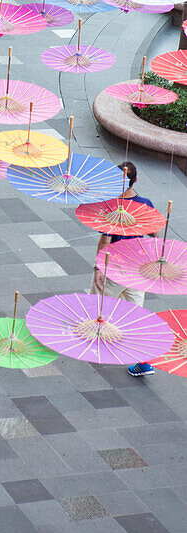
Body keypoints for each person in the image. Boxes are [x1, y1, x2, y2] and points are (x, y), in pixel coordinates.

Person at [90, 161, 155, 377]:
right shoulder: (146, 205)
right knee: (135, 315)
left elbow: (105, 241)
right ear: (135, 180)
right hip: (138, 269)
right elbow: (155, 236)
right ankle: (143, 361)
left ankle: (96, 342)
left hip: (115, 267)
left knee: (98, 306)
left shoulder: (112, 207)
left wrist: (98, 268)